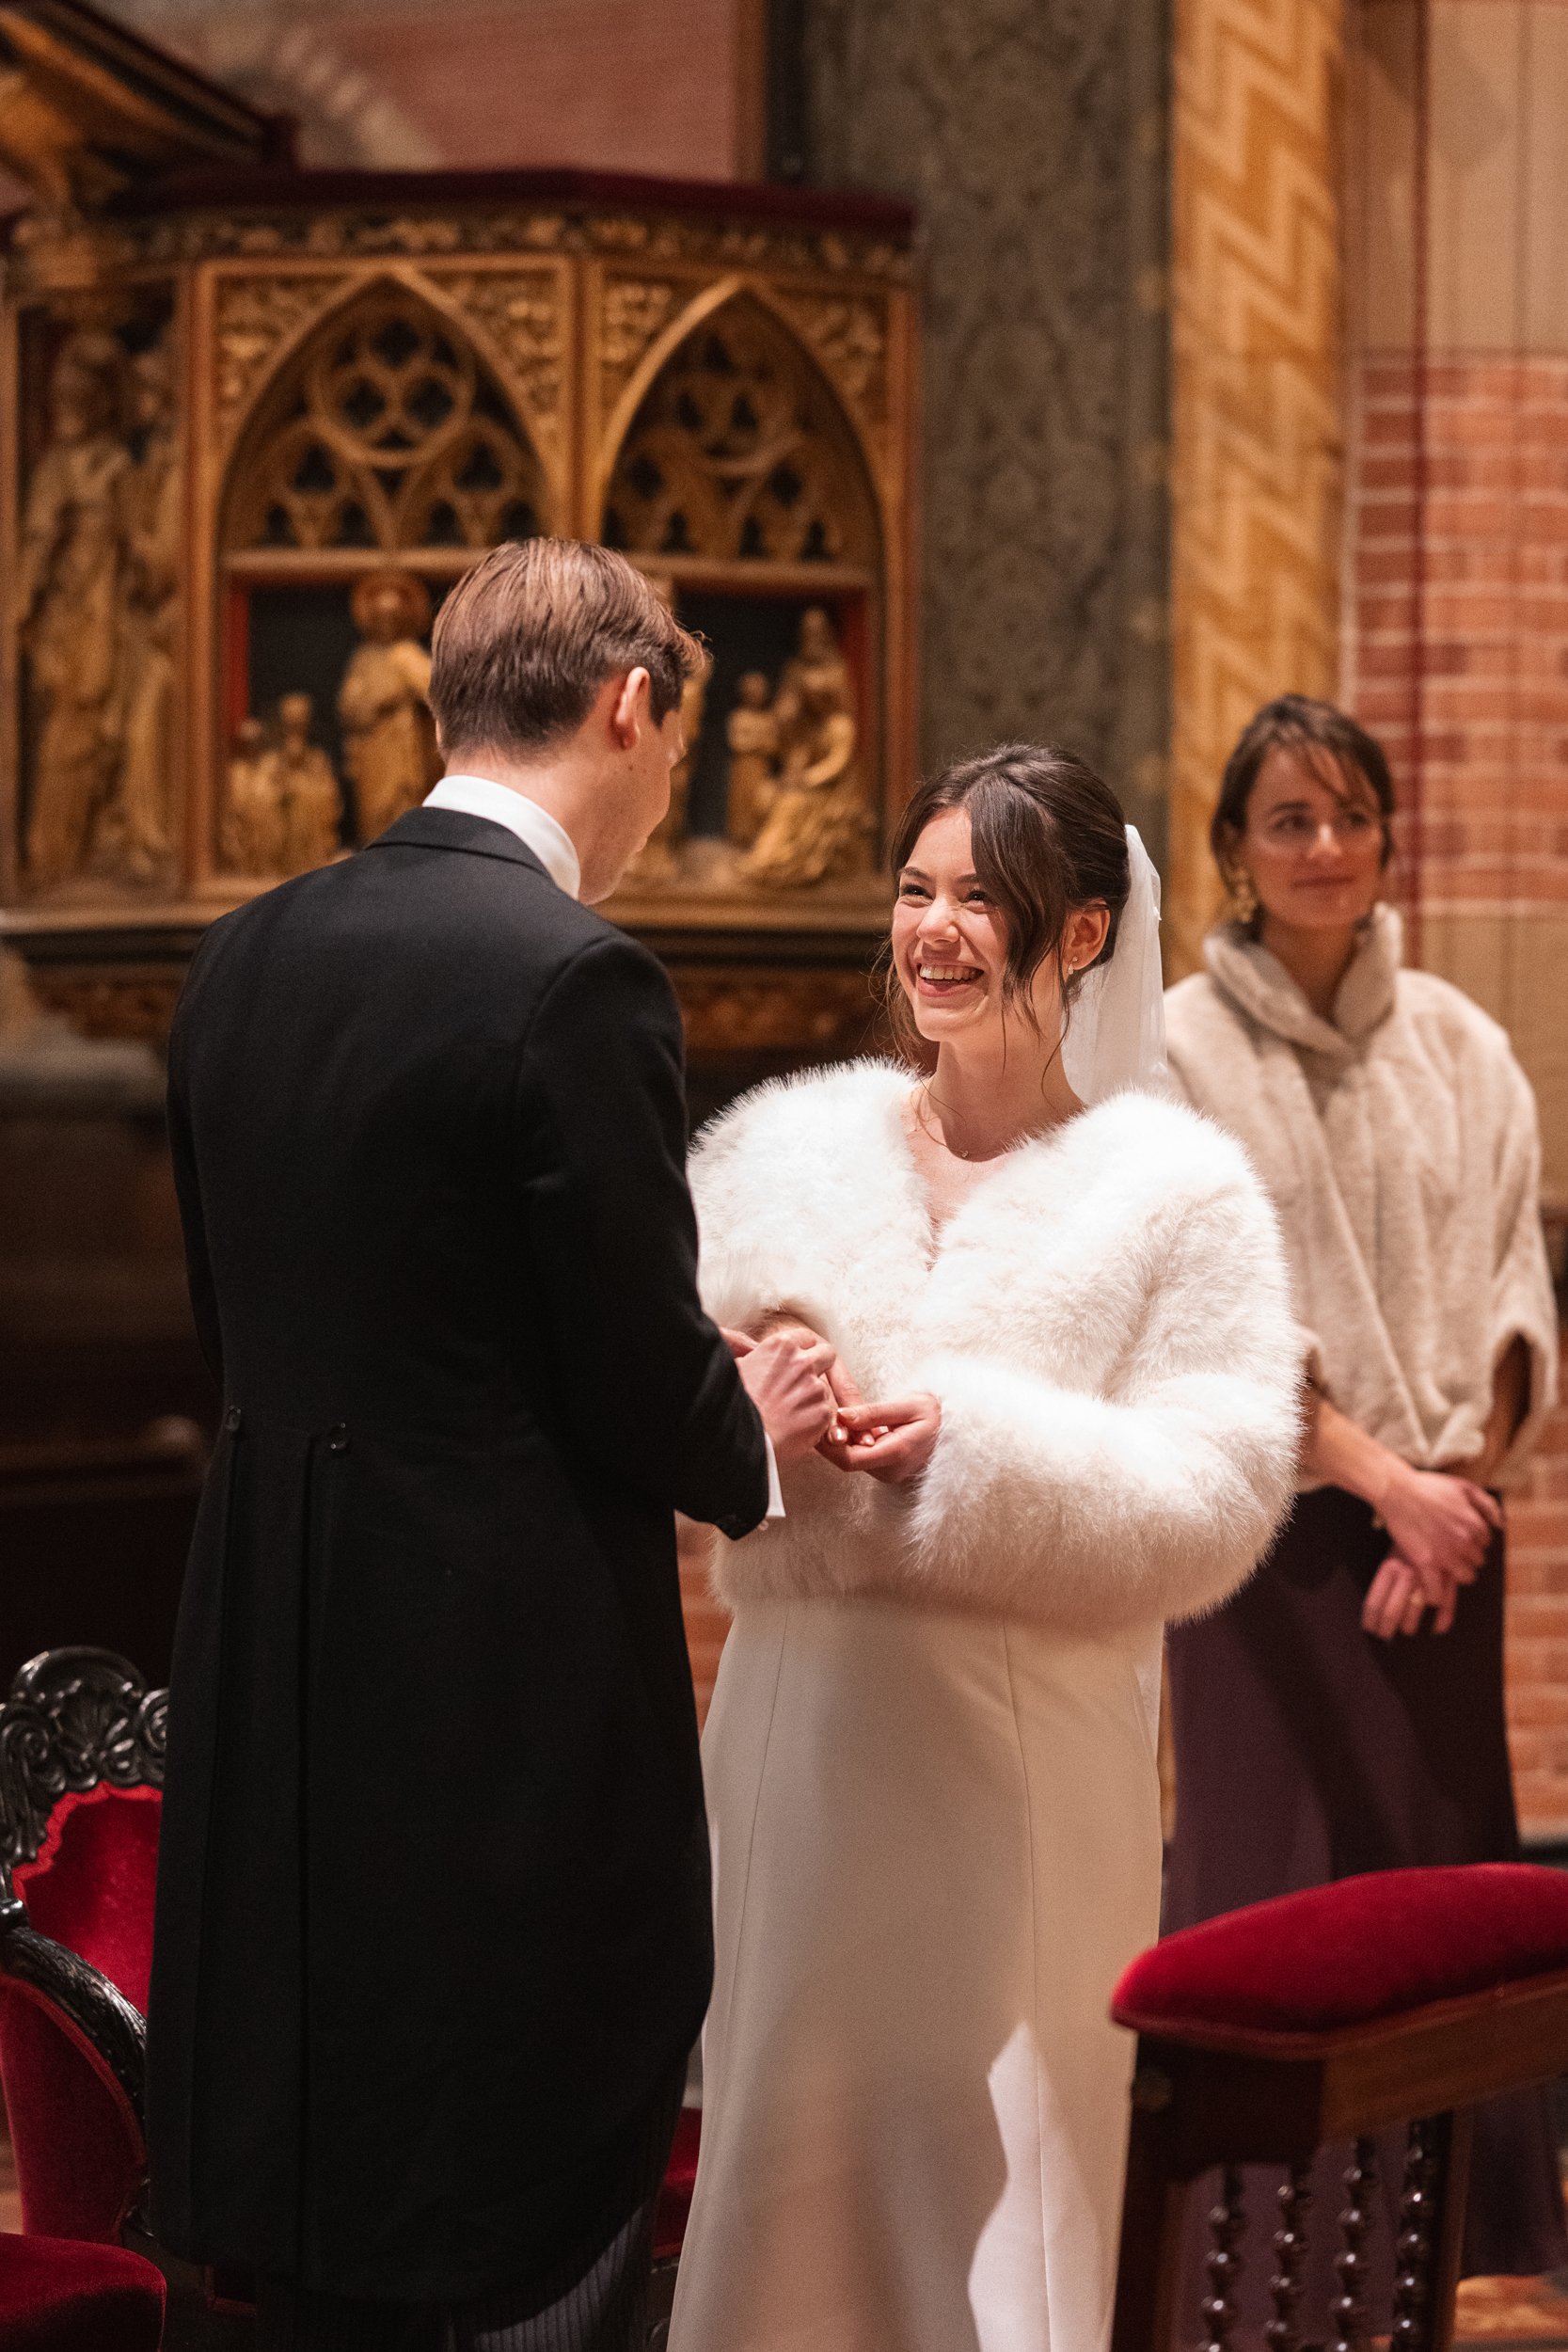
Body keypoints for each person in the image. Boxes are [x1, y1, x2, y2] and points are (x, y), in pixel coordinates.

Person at [147, 537, 838, 2352]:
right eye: (672, 753)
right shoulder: (574, 977)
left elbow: (236, 1329)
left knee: (315, 2218)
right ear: (628, 704)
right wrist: (748, 1429)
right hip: (493, 1698)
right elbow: (631, 1360)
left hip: (271, 1669)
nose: (662, 794)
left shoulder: (242, 959)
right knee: (521, 2206)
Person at [668, 743, 1301, 2352]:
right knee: (783, 2152)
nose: (936, 930)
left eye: (981, 899)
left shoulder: (1175, 1194)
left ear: (1082, 932)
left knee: (1002, 2170)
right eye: (917, 890)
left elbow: (1222, 1491)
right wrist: (743, 1409)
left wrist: (983, 1452)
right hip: (798, 1735)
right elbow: (650, 1417)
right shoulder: (777, 1162)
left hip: (1018, 1754)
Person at [1163, 693, 1567, 2304]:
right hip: (1270, 1531)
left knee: (1442, 1891)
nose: (1325, 848)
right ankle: (1254, 2261)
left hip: (1444, 1539)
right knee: (1275, 1889)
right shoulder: (1181, 1045)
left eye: (1350, 817)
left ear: (1388, 836)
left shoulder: (1461, 1042)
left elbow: (1512, 1278)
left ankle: (1472, 2251)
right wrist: (1379, 1481)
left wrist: (1447, 1493)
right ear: (1236, 854)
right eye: (1289, 821)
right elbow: (1194, 1302)